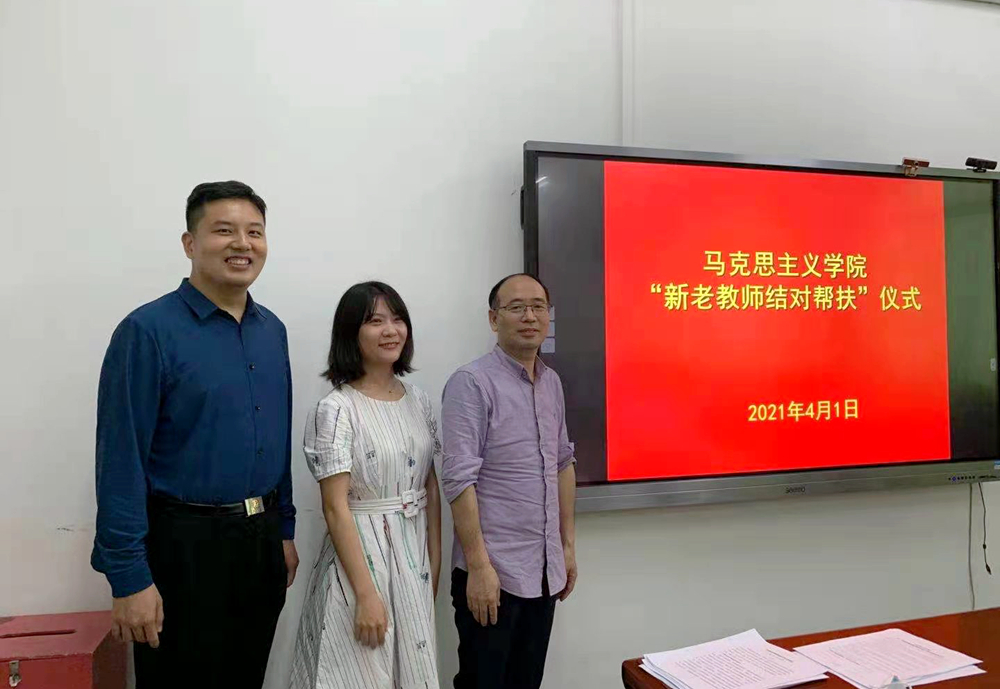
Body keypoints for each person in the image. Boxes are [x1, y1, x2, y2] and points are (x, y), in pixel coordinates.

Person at [91, 181, 299, 688]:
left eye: (255, 232)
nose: (242, 244)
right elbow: (120, 460)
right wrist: (129, 577)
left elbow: (278, 439)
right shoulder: (147, 331)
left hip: (260, 542)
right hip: (182, 548)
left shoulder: (271, 330)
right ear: (190, 243)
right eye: (224, 231)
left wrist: (284, 531)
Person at [291, 281, 442, 689]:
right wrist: (366, 593)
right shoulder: (335, 409)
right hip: (361, 563)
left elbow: (430, 489)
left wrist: (432, 568)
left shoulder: (419, 401)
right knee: (359, 672)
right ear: (350, 333)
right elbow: (335, 507)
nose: (391, 330)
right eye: (375, 321)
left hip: (413, 561)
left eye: (397, 319)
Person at [441, 273, 578, 689]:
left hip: (543, 570)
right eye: (516, 307)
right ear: (493, 318)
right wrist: (479, 567)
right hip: (493, 573)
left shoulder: (552, 383)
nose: (529, 316)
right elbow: (458, 481)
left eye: (538, 307)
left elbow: (563, 464)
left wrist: (567, 546)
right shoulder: (471, 382)